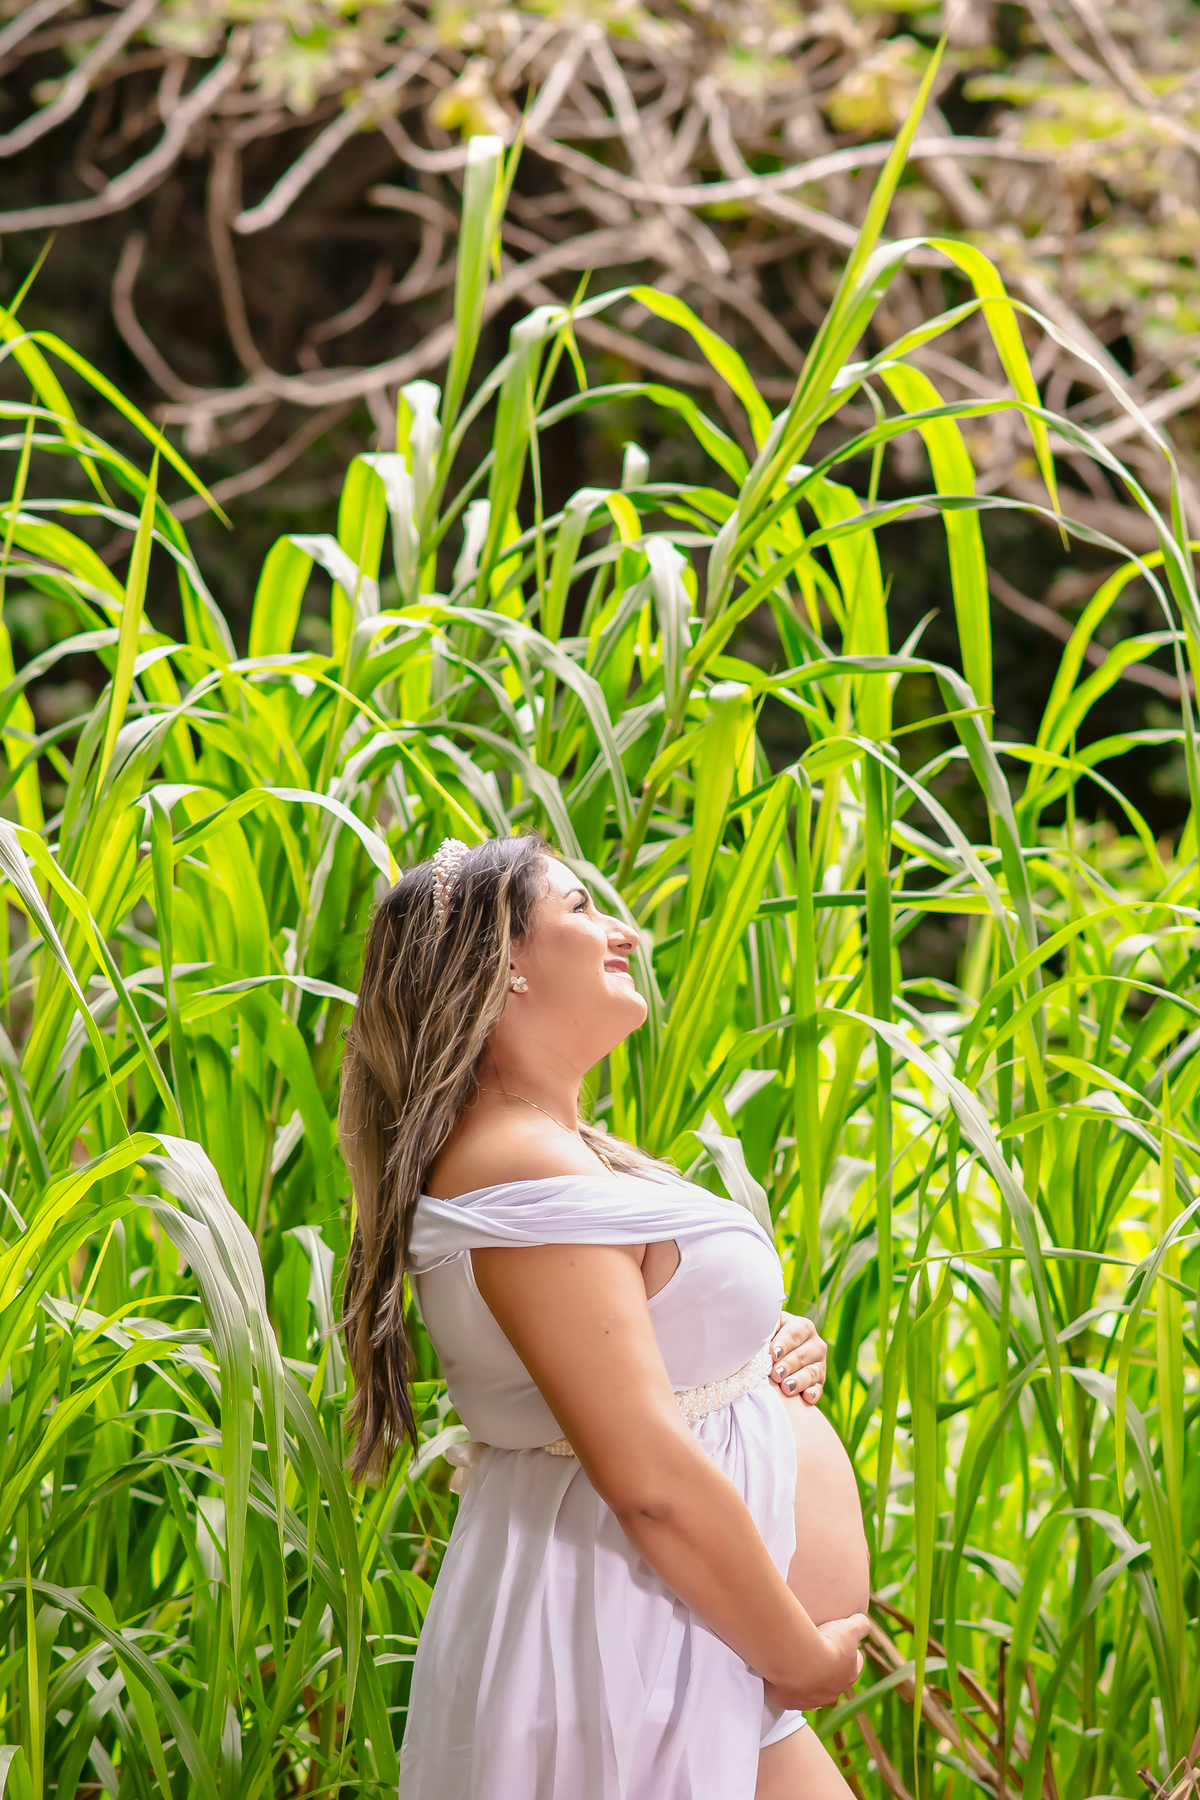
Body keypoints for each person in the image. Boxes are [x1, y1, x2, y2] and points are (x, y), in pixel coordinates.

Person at [339, 834, 871, 1800]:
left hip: (673, 1633)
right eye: (581, 909)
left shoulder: (550, 1150)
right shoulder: (519, 1165)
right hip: (637, 1634)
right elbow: (648, 1475)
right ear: (503, 966)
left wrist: (758, 1346)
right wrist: (802, 1658)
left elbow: (630, 1359)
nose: (624, 932)